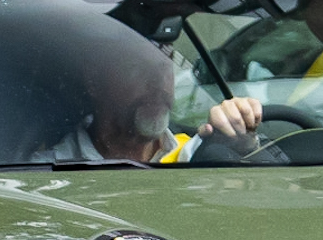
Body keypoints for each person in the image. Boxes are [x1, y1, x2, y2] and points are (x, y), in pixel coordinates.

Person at [29, 14, 263, 165]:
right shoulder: (49, 169)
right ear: (93, 81)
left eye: (164, 67)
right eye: (137, 67)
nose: (158, 84)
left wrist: (242, 144)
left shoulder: (196, 153)